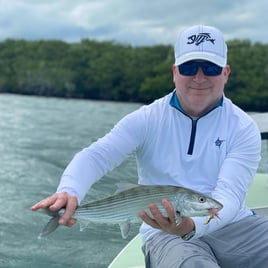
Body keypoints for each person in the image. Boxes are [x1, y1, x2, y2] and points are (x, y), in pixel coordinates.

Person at [31, 25, 268, 267]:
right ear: (175, 72)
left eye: (210, 68)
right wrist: (69, 191)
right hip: (164, 229)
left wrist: (190, 226)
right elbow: (97, 156)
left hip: (232, 225)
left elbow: (228, 197)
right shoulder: (147, 119)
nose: (199, 77)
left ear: (225, 73)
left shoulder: (242, 127)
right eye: (188, 68)